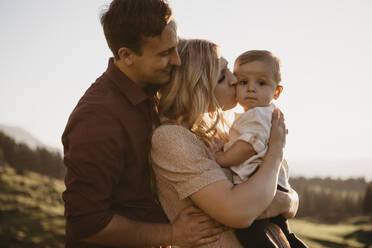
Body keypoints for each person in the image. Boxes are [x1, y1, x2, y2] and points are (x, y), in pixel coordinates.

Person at [61, 1, 224, 247]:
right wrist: (172, 234)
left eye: (175, 48)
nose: (177, 61)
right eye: (164, 53)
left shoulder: (156, 88)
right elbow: (85, 222)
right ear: (127, 55)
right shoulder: (97, 118)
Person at [151, 39, 300, 247]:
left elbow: (285, 192)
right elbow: (240, 212)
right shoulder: (172, 139)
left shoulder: (225, 127)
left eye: (229, 69)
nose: (234, 80)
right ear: (197, 87)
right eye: (222, 77)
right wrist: (276, 150)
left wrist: (288, 201)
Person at [215, 50, 307, 248]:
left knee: (252, 233)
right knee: (282, 232)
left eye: (261, 83)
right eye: (243, 82)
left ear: (277, 91)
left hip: (256, 178)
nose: (251, 89)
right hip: (274, 181)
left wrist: (223, 158)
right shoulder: (264, 113)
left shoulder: (258, 115)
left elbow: (248, 146)